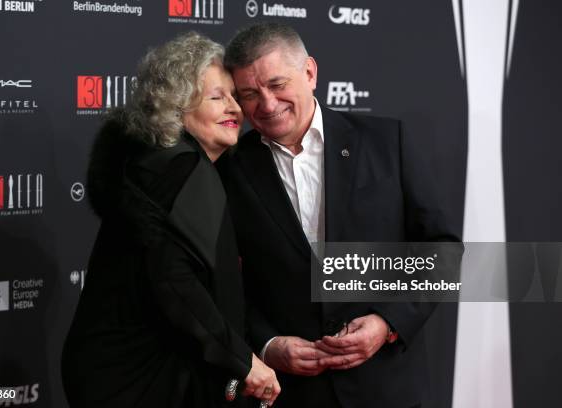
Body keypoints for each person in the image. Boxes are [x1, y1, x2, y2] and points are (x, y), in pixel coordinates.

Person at [218, 23, 461, 408]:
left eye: (277, 84)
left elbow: (443, 251)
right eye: (249, 93)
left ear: (310, 72)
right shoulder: (228, 169)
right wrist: (267, 344)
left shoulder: (386, 142)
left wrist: (387, 323)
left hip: (386, 389)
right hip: (290, 394)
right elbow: (223, 283)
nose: (266, 104)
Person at [61, 32, 280, 408]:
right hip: (137, 377)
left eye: (233, 96)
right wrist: (244, 362)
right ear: (177, 108)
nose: (234, 108)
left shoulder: (157, 164)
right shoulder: (182, 167)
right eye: (216, 97)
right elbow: (174, 281)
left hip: (117, 367)